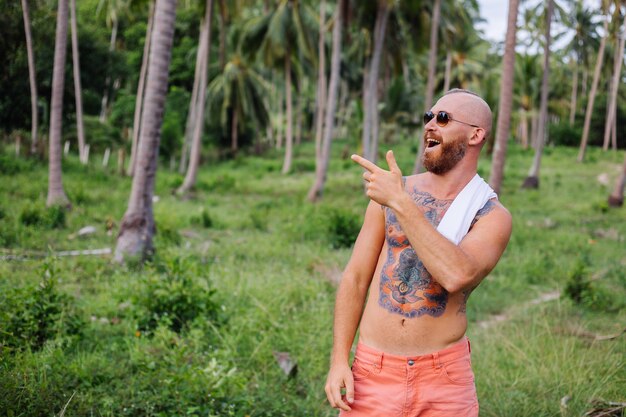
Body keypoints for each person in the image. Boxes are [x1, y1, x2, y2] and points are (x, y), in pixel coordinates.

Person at [324, 89, 512, 416]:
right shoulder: (392, 193)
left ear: (476, 134)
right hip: (372, 372)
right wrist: (340, 360)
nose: (430, 125)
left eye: (443, 118)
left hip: (444, 381)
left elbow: (456, 275)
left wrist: (400, 203)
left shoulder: (491, 215)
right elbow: (354, 278)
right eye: (428, 117)